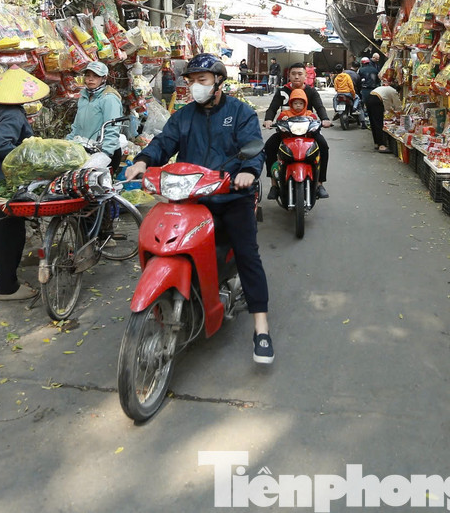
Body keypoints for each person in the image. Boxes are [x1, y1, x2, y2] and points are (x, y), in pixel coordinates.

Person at [123, 54, 274, 364]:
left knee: (247, 255)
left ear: (218, 81)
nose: (195, 86)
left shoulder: (240, 112)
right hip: (191, 198)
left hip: (232, 196)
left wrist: (248, 172)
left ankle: (261, 327)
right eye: (191, 81)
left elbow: (253, 148)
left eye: (201, 80)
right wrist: (143, 161)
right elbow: (164, 142)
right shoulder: (184, 116)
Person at [0, 68, 50, 301]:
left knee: (2, 231)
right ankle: (7, 287)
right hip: (8, 181)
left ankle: (1, 278)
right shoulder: (14, 114)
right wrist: (25, 157)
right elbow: (0, 146)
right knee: (11, 233)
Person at [264, 63, 332, 198]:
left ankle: (319, 183)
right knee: (269, 146)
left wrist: (325, 119)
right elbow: (272, 108)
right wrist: (268, 120)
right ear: (288, 75)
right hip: (286, 131)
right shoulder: (282, 91)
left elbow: (320, 107)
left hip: (308, 131)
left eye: (300, 74)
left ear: (306, 76)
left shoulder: (311, 92)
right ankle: (274, 184)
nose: (296, 77)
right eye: (293, 74)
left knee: (323, 146)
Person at [67, 61, 127, 169]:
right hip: (84, 149)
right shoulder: (83, 97)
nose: (90, 79)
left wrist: (105, 154)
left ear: (104, 78)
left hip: (103, 152)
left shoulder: (109, 99)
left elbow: (112, 129)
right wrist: (66, 144)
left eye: (96, 76)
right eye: (88, 75)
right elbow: (76, 126)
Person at [368, 81, 402, 152]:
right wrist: (399, 113)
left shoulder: (385, 89)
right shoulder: (393, 91)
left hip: (369, 98)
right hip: (376, 101)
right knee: (378, 123)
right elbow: (397, 105)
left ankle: (377, 143)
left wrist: (393, 113)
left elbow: (387, 106)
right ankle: (381, 145)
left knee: (373, 122)